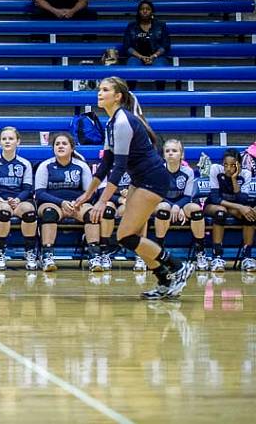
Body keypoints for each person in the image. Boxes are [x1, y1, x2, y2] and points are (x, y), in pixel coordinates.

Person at [75, 76, 195, 299]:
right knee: (128, 236)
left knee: (126, 236)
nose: (99, 93)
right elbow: (106, 164)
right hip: (140, 179)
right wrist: (87, 195)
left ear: (118, 96)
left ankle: (178, 267)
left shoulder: (122, 122)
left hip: (153, 179)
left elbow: (119, 167)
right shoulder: (112, 123)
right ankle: (164, 279)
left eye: (105, 90)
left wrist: (102, 201)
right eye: (99, 90)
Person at [141, 139, 205, 273]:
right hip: (161, 203)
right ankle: (159, 252)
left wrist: (179, 207)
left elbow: (188, 197)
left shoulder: (188, 171)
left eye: (174, 151)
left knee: (196, 210)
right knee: (164, 207)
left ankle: (200, 252)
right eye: (167, 151)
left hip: (182, 203)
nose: (170, 153)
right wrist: (174, 206)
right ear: (163, 155)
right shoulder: (158, 170)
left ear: (181, 155)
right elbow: (158, 195)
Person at [33, 132, 93, 273]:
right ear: (53, 148)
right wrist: (62, 202)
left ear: (72, 148)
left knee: (91, 214)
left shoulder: (82, 166)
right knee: (49, 214)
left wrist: (77, 203)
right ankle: (47, 256)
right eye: (57, 144)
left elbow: (90, 192)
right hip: (53, 203)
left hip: (77, 204)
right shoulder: (45, 166)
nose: (60, 146)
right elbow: (40, 193)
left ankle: (94, 256)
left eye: (64, 143)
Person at [0, 127, 38, 271]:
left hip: (18, 201)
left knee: (30, 210)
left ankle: (30, 251)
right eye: (4, 139)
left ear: (18, 142)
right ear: (0, 142)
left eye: (11, 139)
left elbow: (27, 189)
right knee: (4, 210)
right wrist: (1, 200)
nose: (7, 141)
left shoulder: (25, 163)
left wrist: (18, 200)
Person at [204, 148, 256, 273]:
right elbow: (215, 198)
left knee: (249, 214)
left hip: (235, 205)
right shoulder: (215, 169)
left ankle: (247, 256)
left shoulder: (246, 174)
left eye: (233, 165)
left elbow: (242, 200)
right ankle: (217, 256)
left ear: (239, 165)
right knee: (221, 212)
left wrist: (234, 178)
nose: (228, 168)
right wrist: (238, 207)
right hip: (214, 205)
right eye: (226, 165)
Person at [122, 0, 171, 66]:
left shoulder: (160, 25)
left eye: (148, 9)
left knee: (159, 67)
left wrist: (154, 56)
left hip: (157, 57)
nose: (145, 11)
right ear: (138, 12)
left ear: (152, 12)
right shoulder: (131, 26)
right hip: (136, 57)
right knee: (132, 67)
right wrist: (140, 57)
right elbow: (127, 46)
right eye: (142, 9)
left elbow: (165, 45)